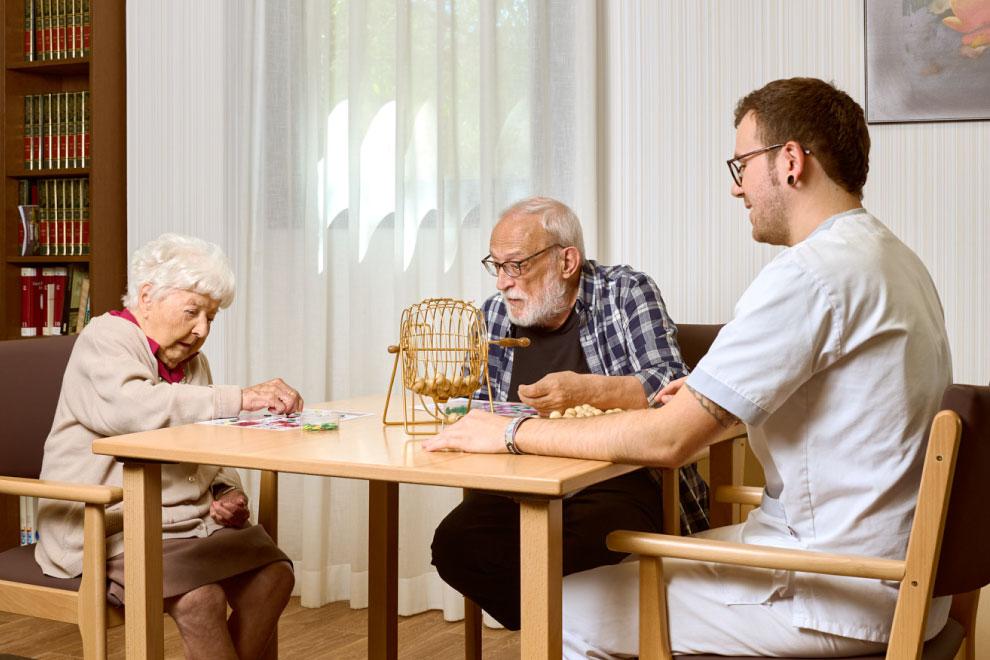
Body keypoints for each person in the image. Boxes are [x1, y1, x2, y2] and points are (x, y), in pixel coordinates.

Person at [424, 78, 952, 656]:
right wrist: (705, 397)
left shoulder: (808, 275)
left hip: (831, 587)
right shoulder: (891, 259)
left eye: (742, 164)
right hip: (895, 571)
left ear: (791, 162)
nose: (737, 188)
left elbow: (671, 442)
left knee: (560, 605)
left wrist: (511, 431)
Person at [430, 196, 709, 631]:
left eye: (517, 265)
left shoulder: (626, 293)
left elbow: (673, 384)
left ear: (567, 261)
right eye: (497, 266)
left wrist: (588, 389)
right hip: (521, 485)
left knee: (574, 544)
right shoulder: (492, 317)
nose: (504, 283)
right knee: (454, 544)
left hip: (620, 482)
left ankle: (573, 635)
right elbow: (473, 409)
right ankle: (569, 633)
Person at [36, 233, 303, 660]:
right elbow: (134, 412)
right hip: (111, 524)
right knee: (201, 598)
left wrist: (223, 491)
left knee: (274, 576)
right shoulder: (105, 339)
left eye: (211, 318)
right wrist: (240, 398)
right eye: (192, 312)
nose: (202, 330)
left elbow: (208, 439)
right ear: (147, 297)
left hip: (185, 523)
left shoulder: (190, 361)